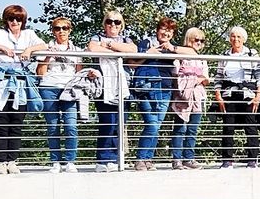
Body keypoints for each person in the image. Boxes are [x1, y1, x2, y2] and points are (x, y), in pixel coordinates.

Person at [0, 4, 49, 174]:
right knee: (1, 123)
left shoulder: (29, 34)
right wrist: (2, 48)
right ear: (6, 20)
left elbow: (44, 46)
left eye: (18, 19)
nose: (14, 22)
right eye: (11, 18)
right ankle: (1, 161)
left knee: (16, 123)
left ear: (23, 20)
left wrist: (29, 49)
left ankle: (12, 161)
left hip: (20, 86)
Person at [131, 17, 187, 170]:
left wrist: (173, 48)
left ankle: (147, 159)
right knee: (152, 124)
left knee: (156, 125)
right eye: (163, 29)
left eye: (170, 31)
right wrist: (148, 53)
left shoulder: (171, 47)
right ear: (157, 30)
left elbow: (191, 52)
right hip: (145, 88)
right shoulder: (146, 43)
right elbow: (131, 62)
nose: (166, 33)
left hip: (164, 89)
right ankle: (140, 159)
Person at [86, 10, 139, 172]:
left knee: (119, 125)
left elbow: (133, 50)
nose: (113, 24)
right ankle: (103, 160)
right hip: (104, 86)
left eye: (117, 22)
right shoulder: (97, 37)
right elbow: (92, 48)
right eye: (109, 21)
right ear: (105, 24)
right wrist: (119, 53)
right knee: (107, 123)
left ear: (121, 25)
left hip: (124, 86)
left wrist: (108, 45)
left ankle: (116, 159)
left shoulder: (126, 39)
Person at [36, 17, 84, 173]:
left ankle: (70, 161)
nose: (61, 31)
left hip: (69, 90)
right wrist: (48, 56)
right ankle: (55, 161)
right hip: (49, 87)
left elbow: (79, 72)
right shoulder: (46, 47)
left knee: (71, 126)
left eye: (65, 28)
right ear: (53, 31)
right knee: (53, 126)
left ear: (70, 30)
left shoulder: (77, 50)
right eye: (57, 28)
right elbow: (40, 73)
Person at [213, 26, 260, 168]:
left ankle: (252, 159)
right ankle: (227, 160)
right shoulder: (224, 55)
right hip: (229, 93)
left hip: (248, 94)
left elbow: (259, 75)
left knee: (250, 126)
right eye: (233, 36)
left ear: (244, 39)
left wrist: (258, 96)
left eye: (239, 37)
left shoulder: (251, 54)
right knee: (228, 126)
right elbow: (218, 77)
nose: (236, 39)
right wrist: (218, 96)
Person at [169, 28, 210, 169]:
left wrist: (196, 78)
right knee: (180, 128)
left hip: (197, 97)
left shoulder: (202, 59)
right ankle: (177, 159)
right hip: (182, 97)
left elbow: (206, 79)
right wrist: (191, 80)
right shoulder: (180, 57)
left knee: (192, 129)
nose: (199, 43)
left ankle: (189, 158)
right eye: (196, 39)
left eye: (202, 40)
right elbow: (175, 76)